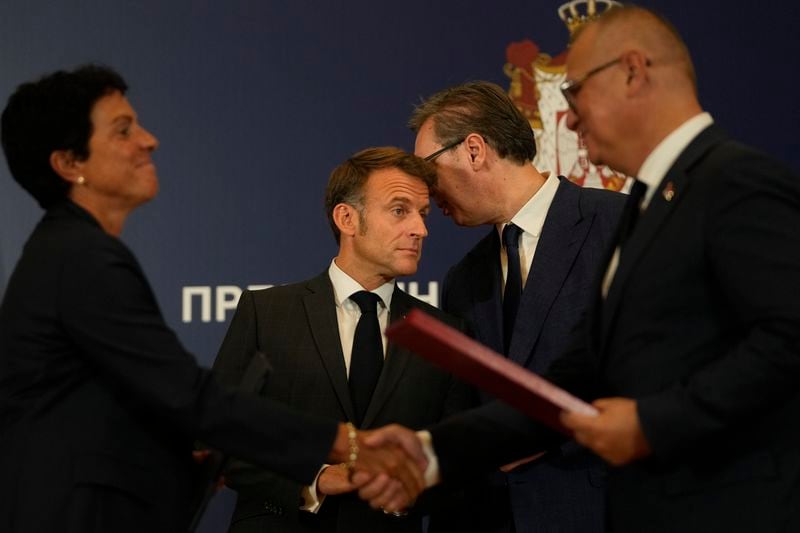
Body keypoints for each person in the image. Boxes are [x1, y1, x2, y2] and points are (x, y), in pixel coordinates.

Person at [371, 4, 800, 532]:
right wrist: (432, 451)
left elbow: (789, 339)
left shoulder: (735, 182)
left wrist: (649, 424)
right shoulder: (647, 213)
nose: (568, 118)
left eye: (575, 93)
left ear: (633, 72)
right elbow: (572, 383)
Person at [0, 65, 424, 533]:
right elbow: (190, 397)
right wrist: (347, 443)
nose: (149, 140)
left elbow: (139, 407)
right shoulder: (81, 258)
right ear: (69, 163)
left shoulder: (70, 250)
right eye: (123, 130)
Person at [212, 146, 475, 533]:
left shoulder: (444, 334)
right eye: (400, 210)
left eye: (422, 214)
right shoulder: (266, 313)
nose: (420, 229)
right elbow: (221, 436)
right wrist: (316, 479)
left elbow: (458, 460)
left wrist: (405, 491)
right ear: (347, 218)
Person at [409, 81, 625, 533]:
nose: (426, 194)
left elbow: (656, 370)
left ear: (473, 150)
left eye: (427, 171)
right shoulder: (463, 280)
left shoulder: (616, 225)